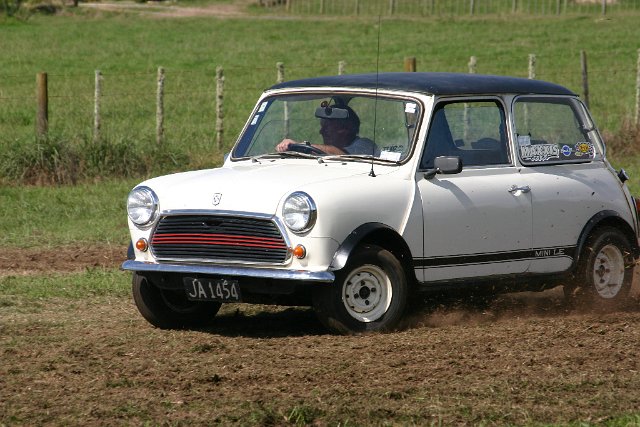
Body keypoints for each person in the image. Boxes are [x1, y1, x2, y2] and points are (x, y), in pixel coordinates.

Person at [276, 104, 379, 156]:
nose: (321, 131)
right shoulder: (327, 153)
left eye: (327, 127)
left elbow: (344, 155)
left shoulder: (365, 145)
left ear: (344, 130)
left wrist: (299, 146)